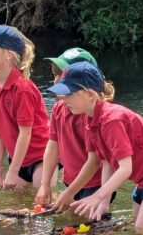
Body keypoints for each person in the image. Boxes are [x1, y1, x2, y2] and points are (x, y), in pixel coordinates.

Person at [46, 61, 143, 235]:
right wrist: (103, 202)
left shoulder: (112, 120)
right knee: (138, 226)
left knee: (142, 228)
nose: (63, 99)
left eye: (69, 94)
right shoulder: (90, 119)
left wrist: (97, 196)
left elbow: (126, 168)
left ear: (90, 94)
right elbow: (104, 161)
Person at [0, 25, 51, 190]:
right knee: (16, 206)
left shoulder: (23, 88)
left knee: (42, 200)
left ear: (8, 54)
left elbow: (26, 133)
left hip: (41, 158)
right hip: (19, 159)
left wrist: (12, 172)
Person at [35, 48, 114, 212]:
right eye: (55, 75)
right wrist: (45, 184)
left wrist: (70, 193)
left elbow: (95, 161)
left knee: (93, 226)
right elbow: (52, 146)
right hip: (71, 180)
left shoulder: (90, 113)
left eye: (62, 76)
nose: (56, 81)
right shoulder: (58, 109)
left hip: (96, 183)